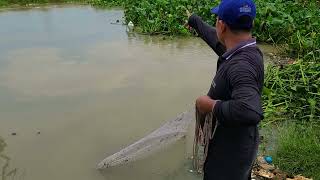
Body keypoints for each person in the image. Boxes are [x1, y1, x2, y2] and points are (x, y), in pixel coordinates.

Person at [187, 0, 264, 179]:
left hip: (230, 156)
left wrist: (209, 105)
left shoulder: (241, 66)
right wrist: (194, 20)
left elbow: (249, 110)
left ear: (221, 26)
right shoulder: (244, 50)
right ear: (251, 23)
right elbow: (215, 39)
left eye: (217, 21)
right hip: (239, 144)